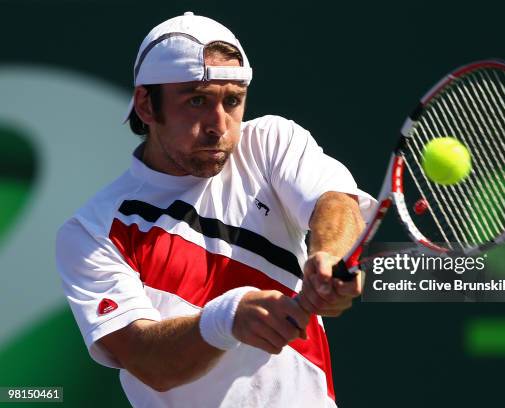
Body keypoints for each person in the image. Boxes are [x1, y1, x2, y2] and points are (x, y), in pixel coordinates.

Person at [55, 11, 374, 408]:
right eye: (197, 100)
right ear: (146, 105)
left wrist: (327, 257)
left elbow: (337, 203)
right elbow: (145, 361)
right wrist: (225, 320)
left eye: (233, 101)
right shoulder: (92, 232)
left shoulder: (270, 144)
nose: (219, 125)